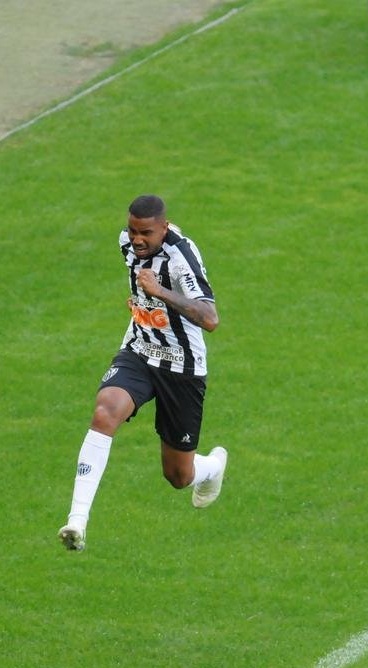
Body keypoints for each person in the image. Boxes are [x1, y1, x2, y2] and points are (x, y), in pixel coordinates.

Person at [58, 194, 228, 551]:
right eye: (133, 230)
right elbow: (140, 282)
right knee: (105, 410)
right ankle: (77, 522)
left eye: (146, 233)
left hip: (182, 367)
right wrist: (141, 301)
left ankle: (212, 467)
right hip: (139, 351)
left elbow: (210, 319)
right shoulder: (127, 244)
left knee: (178, 476)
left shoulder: (183, 257)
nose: (136, 239)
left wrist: (159, 292)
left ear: (164, 228)